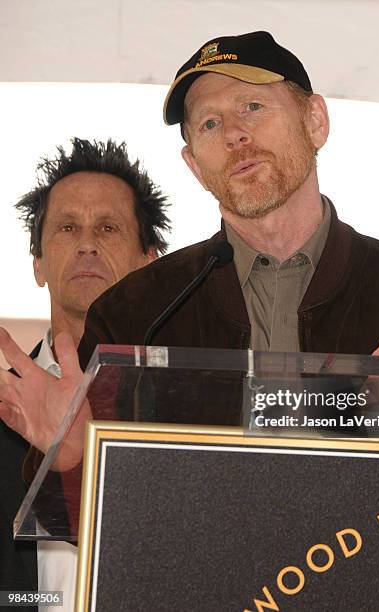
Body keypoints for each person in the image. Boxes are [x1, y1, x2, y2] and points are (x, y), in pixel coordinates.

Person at [0, 31, 379, 484]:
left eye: (252, 107)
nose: (234, 134)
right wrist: (70, 460)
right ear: (194, 164)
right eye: (210, 123)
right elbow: (116, 525)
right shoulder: (135, 314)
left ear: (315, 121)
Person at [0, 137, 170, 609]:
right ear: (37, 263)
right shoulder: (3, 406)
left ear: (149, 262)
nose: (88, 245)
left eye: (109, 228)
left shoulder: (196, 405)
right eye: (68, 227)